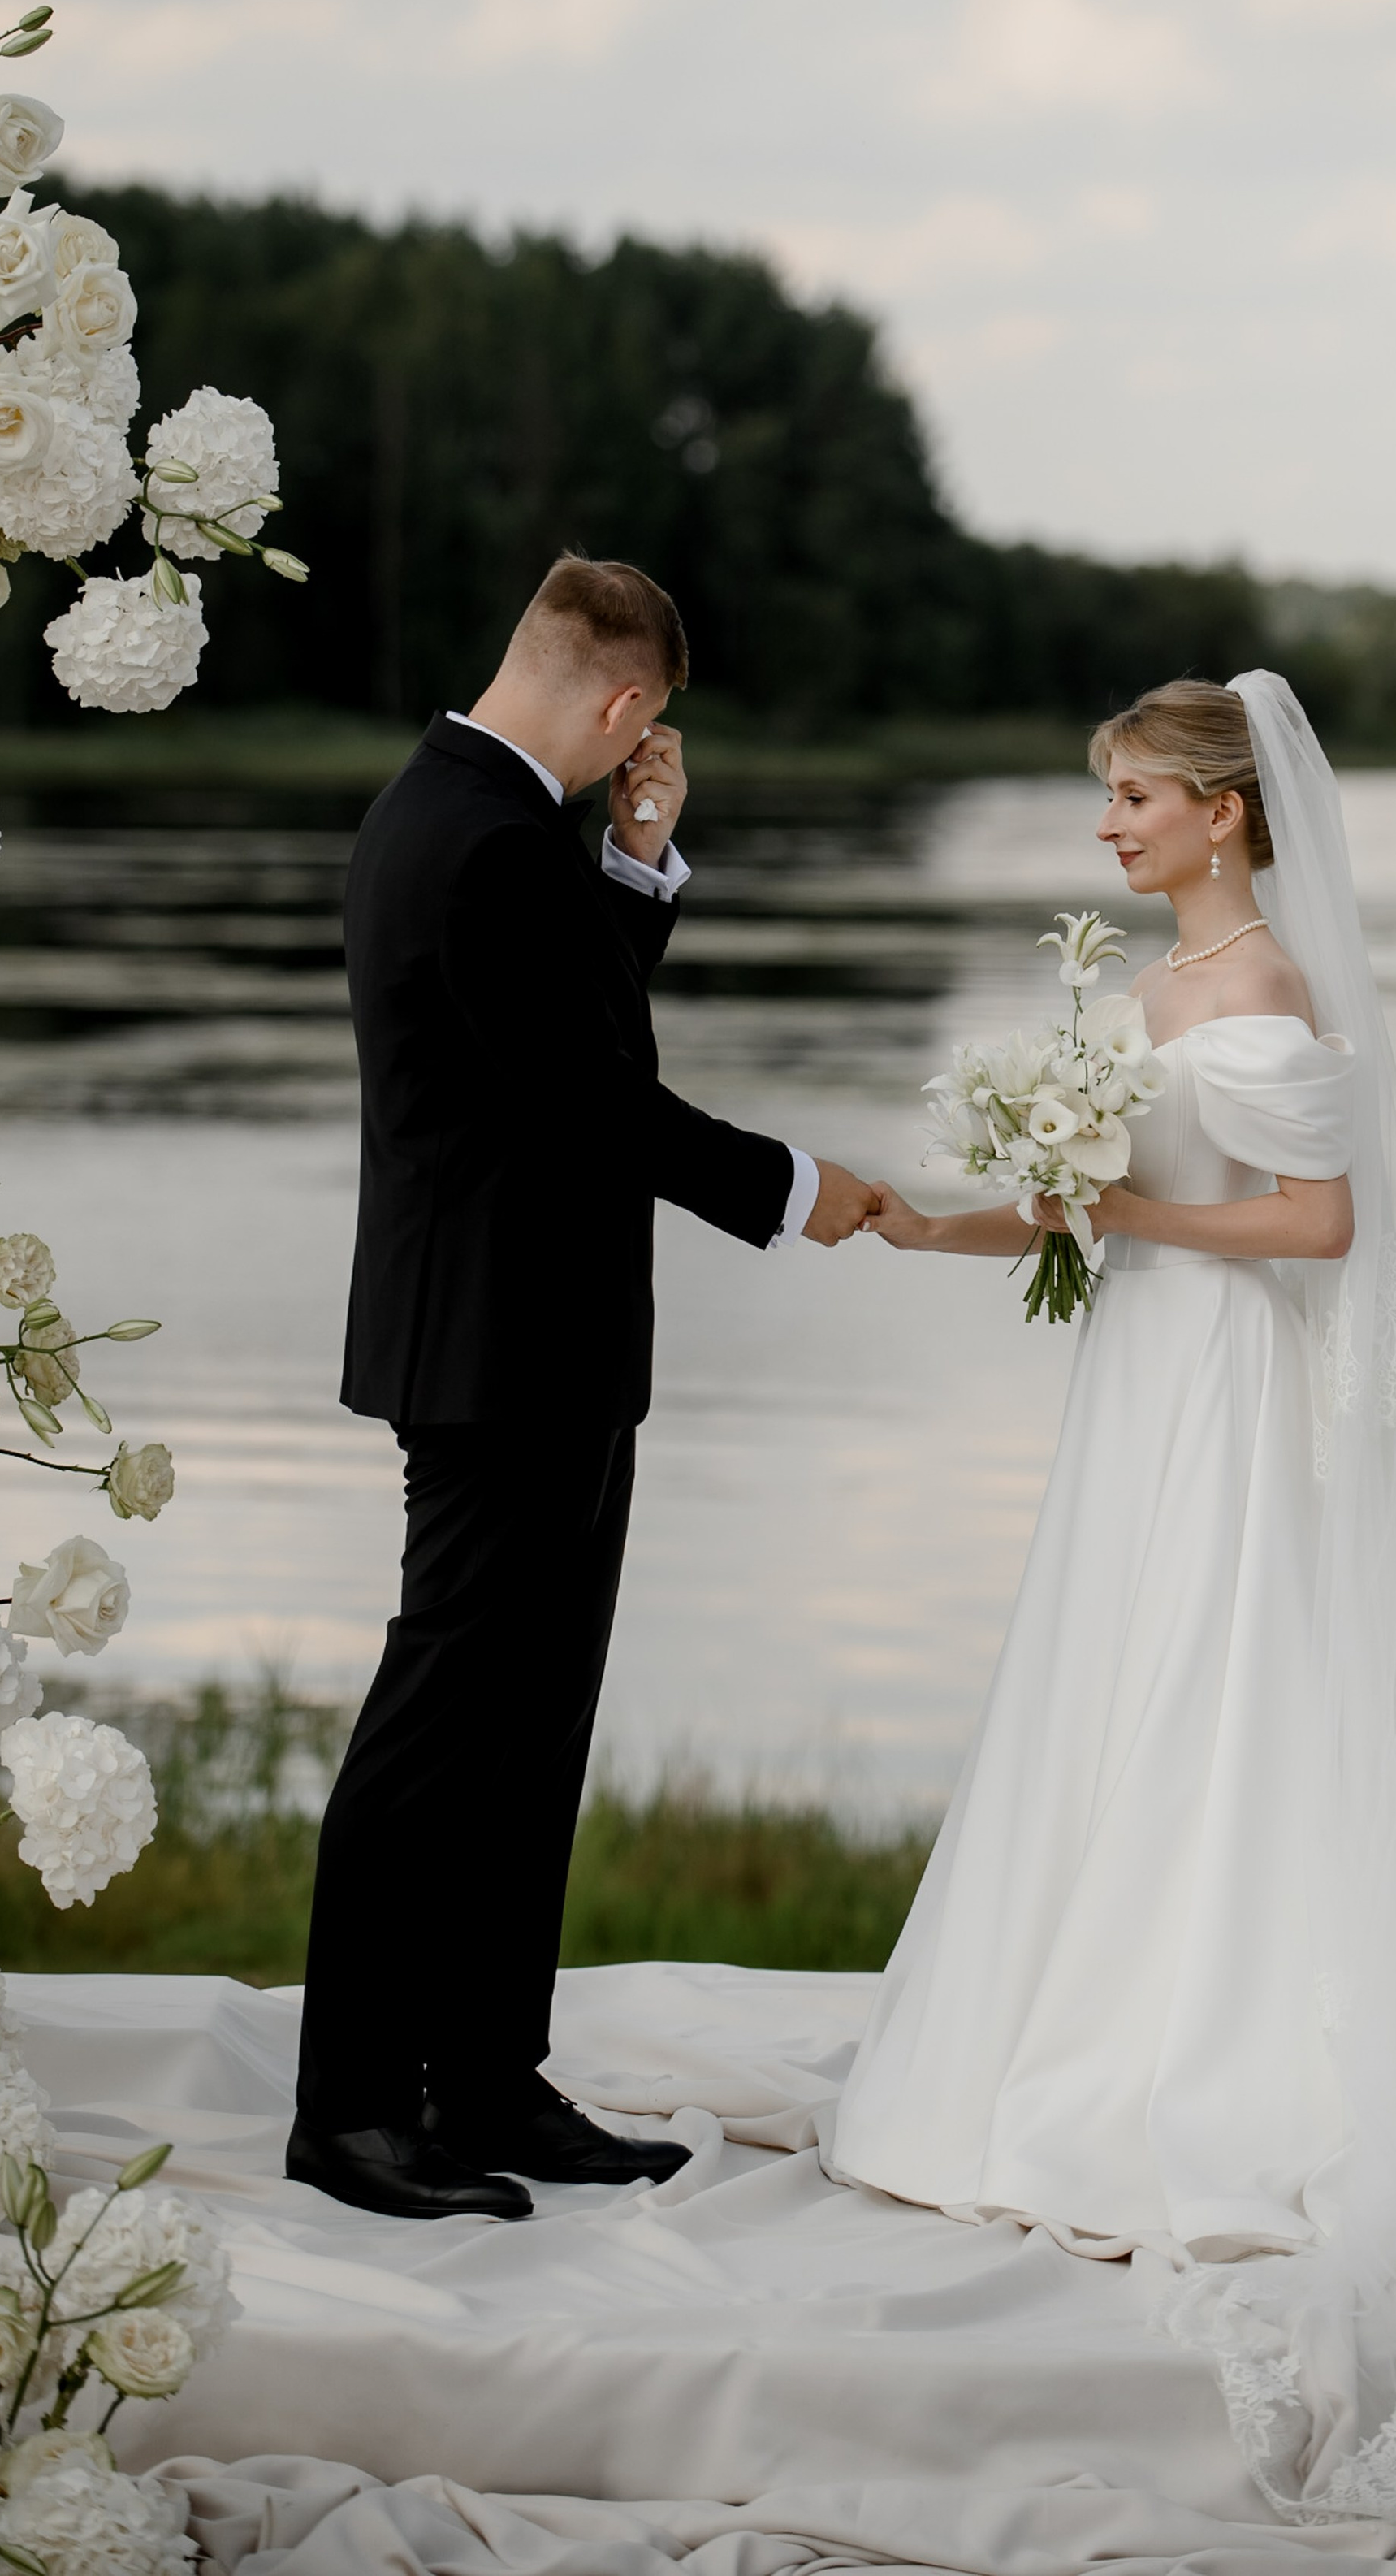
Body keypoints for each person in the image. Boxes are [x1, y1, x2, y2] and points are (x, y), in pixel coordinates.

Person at [830, 673, 1396, 2529]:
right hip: (1133, 1379)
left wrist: (1126, 1221)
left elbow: (1315, 1226)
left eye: (1131, 797)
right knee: (1104, 1682)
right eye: (1106, 799)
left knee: (1210, 1691)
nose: (1105, 826)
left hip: (1222, 1385)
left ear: (1222, 814)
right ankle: (1066, 2024)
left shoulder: (1266, 995)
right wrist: (931, 1215)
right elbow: (1089, 1198)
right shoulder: (1141, 998)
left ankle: (1201, 2060)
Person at [291, 555, 879, 2223]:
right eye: (648, 728)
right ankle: (351, 2111)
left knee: (528, 1733)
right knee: (431, 1740)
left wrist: (629, 871)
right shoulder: (476, 841)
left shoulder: (469, 818)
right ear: (623, 704)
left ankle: (482, 2079)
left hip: (528, 1348)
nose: (644, 748)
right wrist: (787, 1184)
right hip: (491, 1357)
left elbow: (566, 1051)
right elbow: (601, 1109)